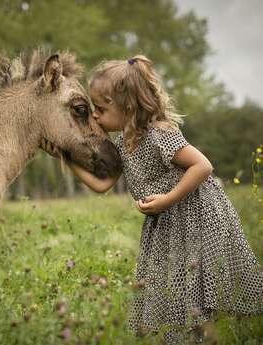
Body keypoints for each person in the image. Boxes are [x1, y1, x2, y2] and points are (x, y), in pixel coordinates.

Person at [43, 55, 263, 344]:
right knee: (176, 289)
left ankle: (216, 337)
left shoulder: (160, 134)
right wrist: (65, 157)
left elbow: (203, 166)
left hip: (197, 216)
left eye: (101, 108)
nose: (95, 116)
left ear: (128, 107)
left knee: (195, 291)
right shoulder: (122, 143)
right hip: (167, 224)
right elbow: (101, 184)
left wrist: (168, 199)